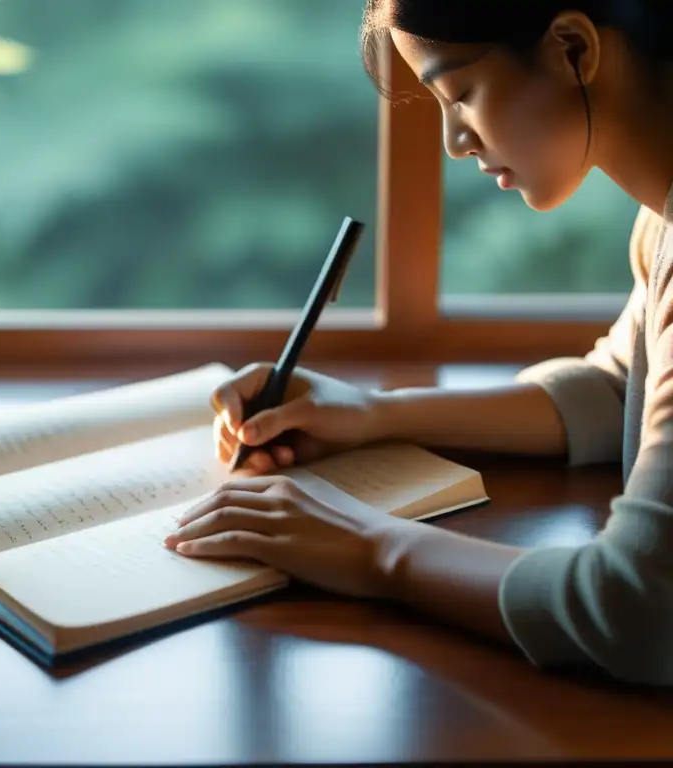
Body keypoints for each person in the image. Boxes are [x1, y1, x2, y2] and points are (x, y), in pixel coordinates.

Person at [162, 0, 673, 686]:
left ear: (573, 49)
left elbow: (638, 607)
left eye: (460, 93)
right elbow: (621, 390)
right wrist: (375, 415)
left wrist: (370, 549)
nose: (453, 141)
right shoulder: (659, 221)